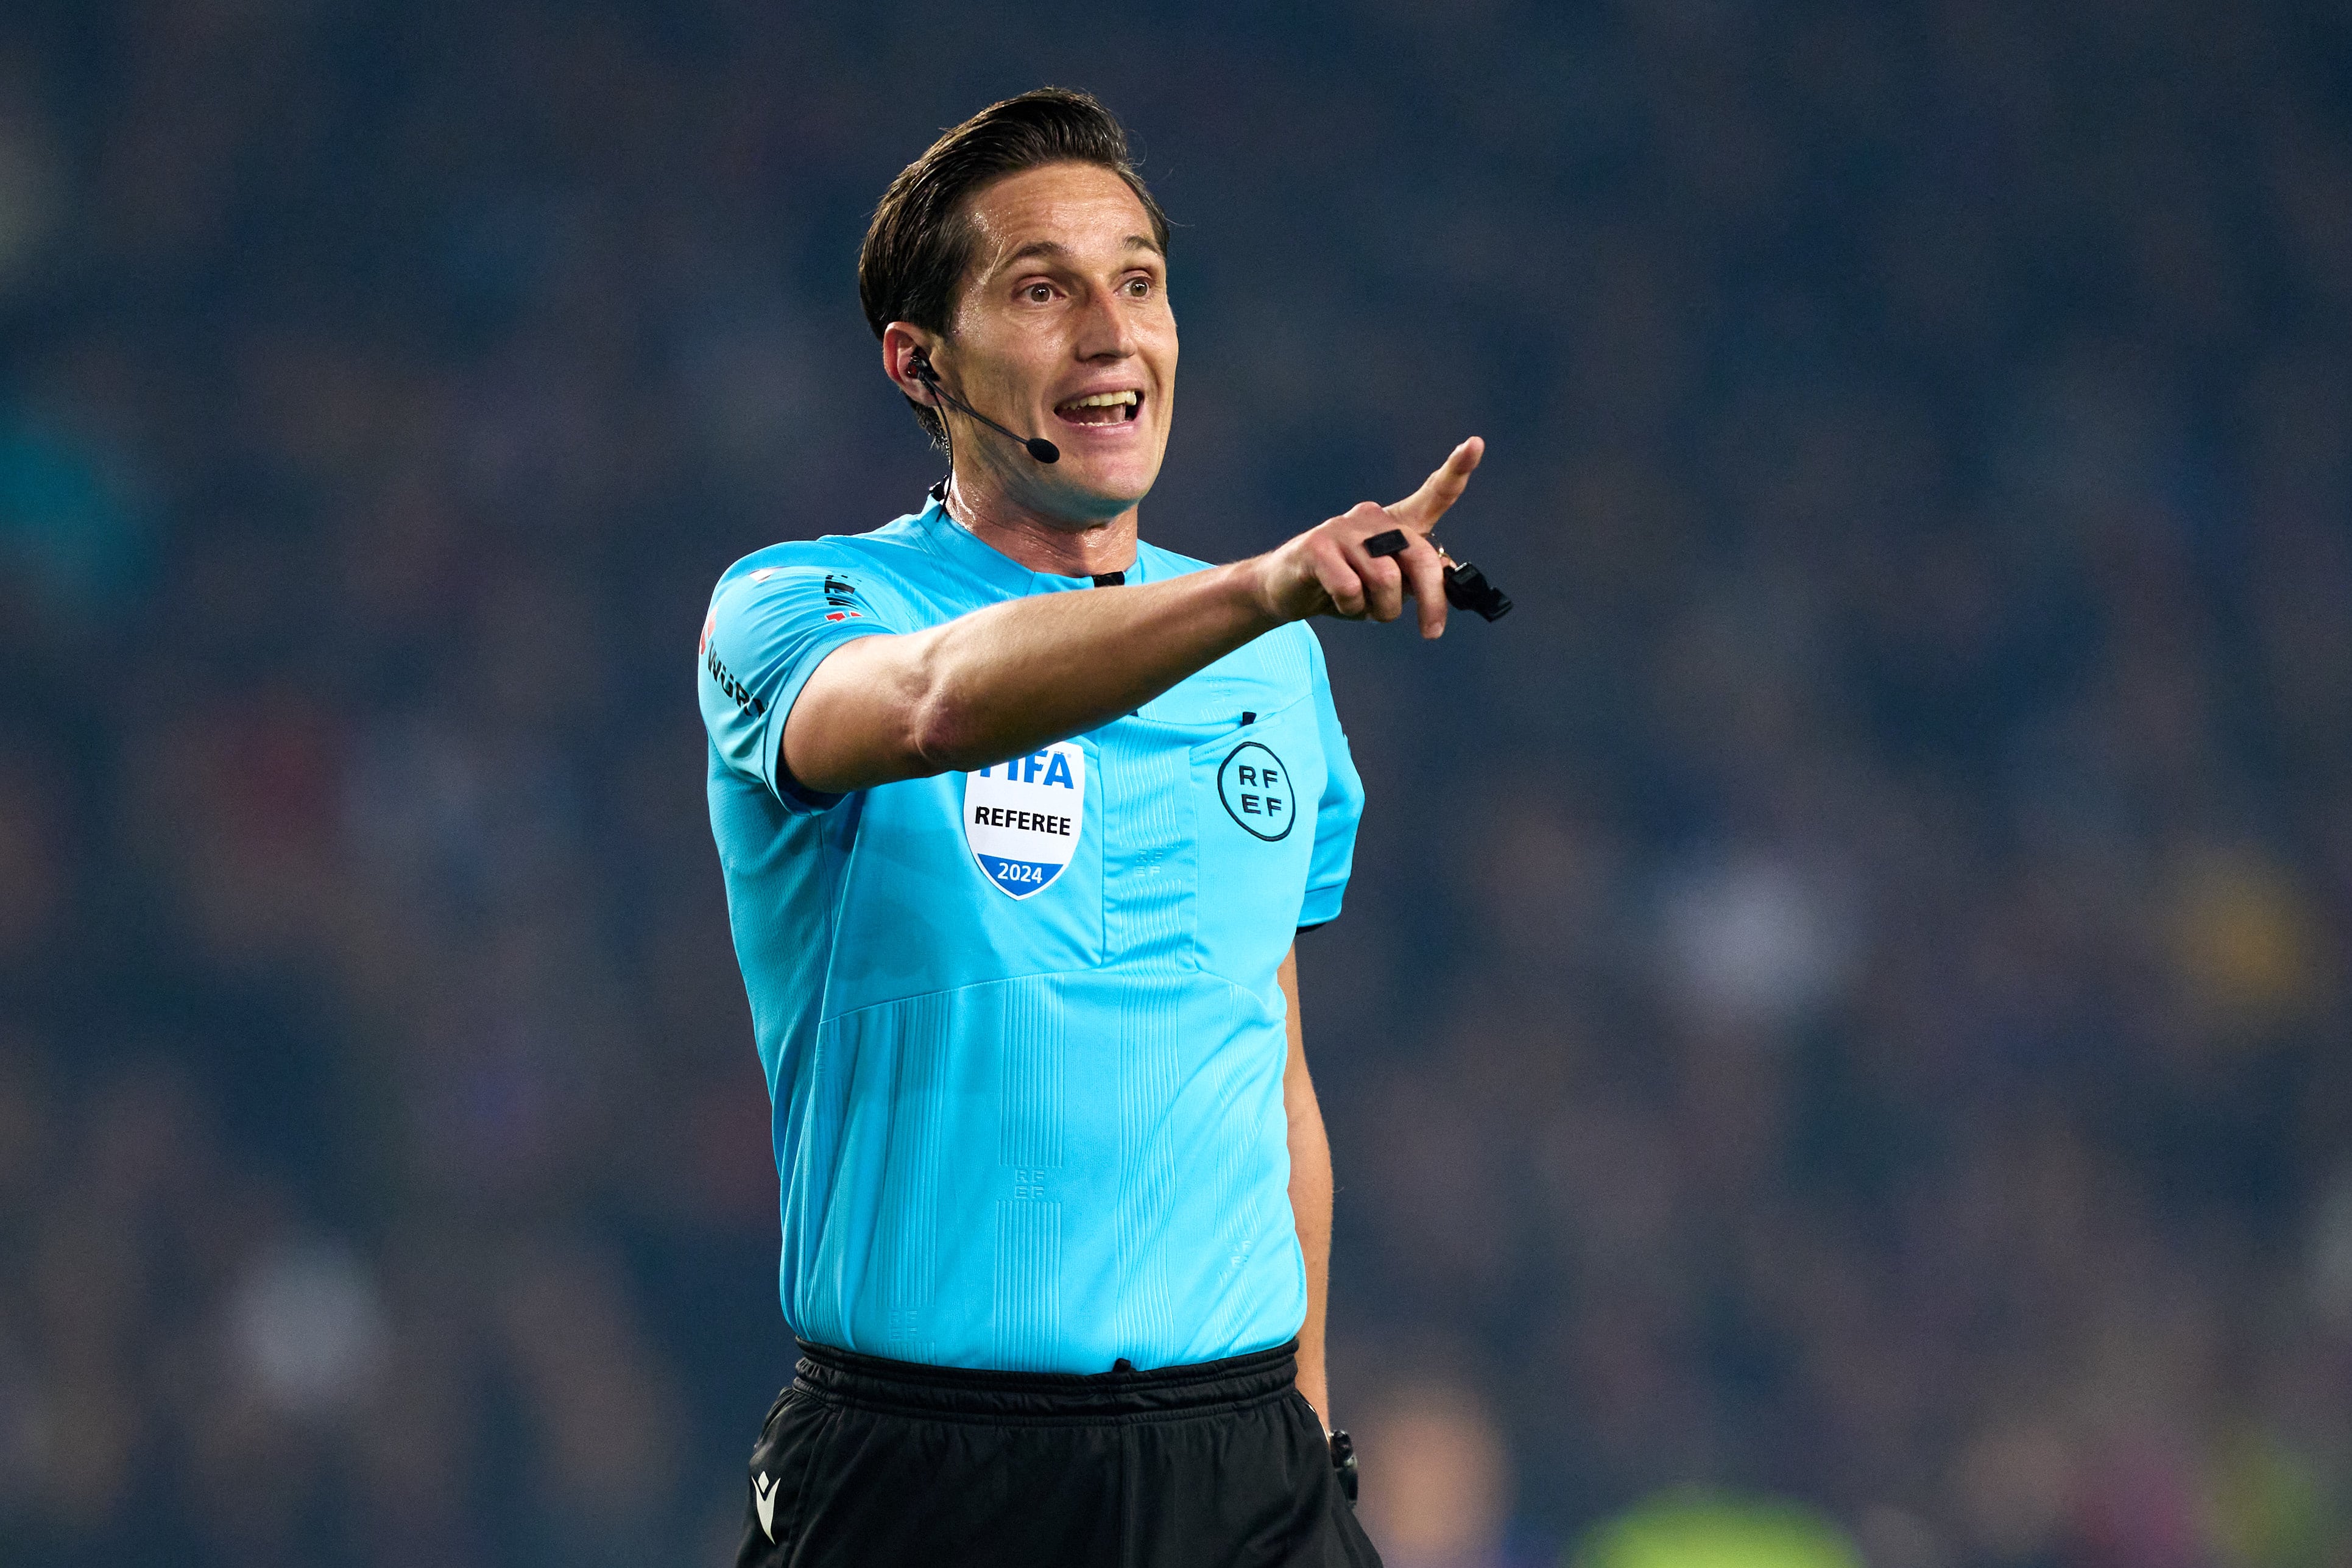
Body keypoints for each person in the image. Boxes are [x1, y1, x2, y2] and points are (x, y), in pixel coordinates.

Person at [697, 87, 1483, 1568]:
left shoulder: (1276, 663)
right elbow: (933, 704)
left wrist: (1306, 1447)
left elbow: (1272, 1079)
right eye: (1040, 290)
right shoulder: (795, 607)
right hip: (924, 1477)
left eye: (1136, 283)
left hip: (1243, 1466)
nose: (1108, 333)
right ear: (917, 364)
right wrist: (1260, 588)